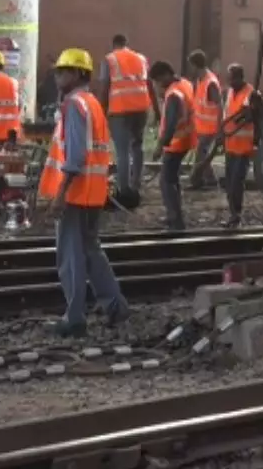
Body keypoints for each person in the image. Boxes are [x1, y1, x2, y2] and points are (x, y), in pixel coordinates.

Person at [37, 48, 129, 338]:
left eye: (63, 71)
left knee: (71, 256)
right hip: (93, 192)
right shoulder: (92, 103)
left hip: (76, 193)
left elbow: (75, 157)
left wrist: (60, 193)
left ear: (78, 74)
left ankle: (74, 317)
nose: (58, 76)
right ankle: (115, 306)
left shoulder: (74, 105)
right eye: (57, 71)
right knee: (91, 251)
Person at [95, 34, 152, 198]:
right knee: (137, 146)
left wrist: (101, 109)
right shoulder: (141, 58)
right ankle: (136, 183)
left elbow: (105, 85)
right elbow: (148, 84)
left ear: (113, 45)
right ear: (127, 44)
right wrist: (155, 108)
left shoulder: (110, 59)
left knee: (122, 151)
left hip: (120, 110)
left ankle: (124, 189)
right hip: (141, 108)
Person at [149, 61, 195, 231]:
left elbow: (170, 124)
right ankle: (174, 215)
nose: (158, 85)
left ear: (165, 75)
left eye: (157, 80)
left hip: (176, 143)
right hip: (186, 139)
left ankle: (175, 220)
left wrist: (160, 146)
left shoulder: (173, 94)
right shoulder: (185, 84)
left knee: (166, 181)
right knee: (173, 179)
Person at [220, 63, 261, 229]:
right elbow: (227, 115)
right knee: (230, 182)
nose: (229, 82)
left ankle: (236, 215)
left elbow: (256, 118)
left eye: (232, 79)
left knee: (237, 182)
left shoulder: (251, 94)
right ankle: (232, 215)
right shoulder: (230, 92)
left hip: (243, 147)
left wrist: (256, 143)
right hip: (230, 145)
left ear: (239, 77)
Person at [187, 50, 223, 189]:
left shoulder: (210, 82)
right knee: (202, 153)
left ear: (196, 66)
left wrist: (220, 127)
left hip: (211, 127)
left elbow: (219, 106)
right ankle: (208, 180)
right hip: (202, 126)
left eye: (191, 65)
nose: (190, 69)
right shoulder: (201, 80)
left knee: (201, 152)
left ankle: (198, 181)